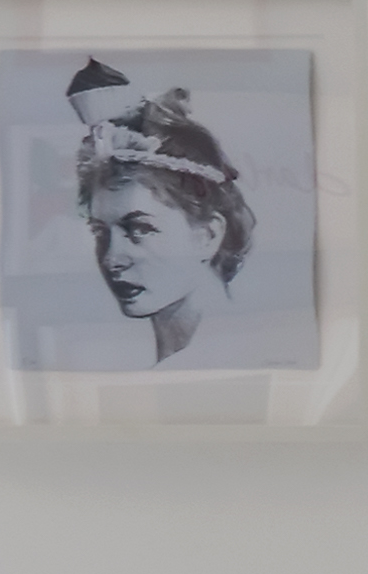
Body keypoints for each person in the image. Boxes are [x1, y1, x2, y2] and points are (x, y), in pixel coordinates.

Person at [66, 62, 257, 362]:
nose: (111, 259)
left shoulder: (246, 355)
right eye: (100, 233)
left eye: (139, 229)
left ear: (208, 235)